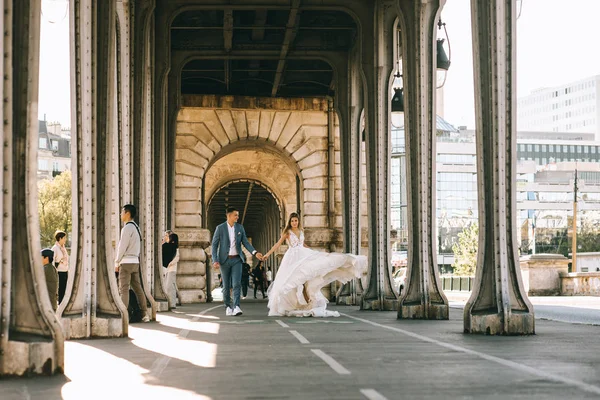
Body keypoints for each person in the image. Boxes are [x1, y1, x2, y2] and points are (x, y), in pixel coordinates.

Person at [264, 213, 367, 317]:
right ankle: (295, 302)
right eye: (292, 221)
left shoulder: (301, 231)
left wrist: (313, 252)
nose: (294, 223)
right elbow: (278, 244)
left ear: (298, 221)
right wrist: (267, 254)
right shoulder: (287, 232)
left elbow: (303, 244)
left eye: (295, 220)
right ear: (289, 222)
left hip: (303, 255)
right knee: (293, 280)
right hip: (292, 258)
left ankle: (308, 301)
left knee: (306, 279)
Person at [211, 207, 263, 316]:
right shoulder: (220, 228)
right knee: (226, 285)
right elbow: (214, 245)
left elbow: (245, 242)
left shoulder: (240, 228)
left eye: (238, 215)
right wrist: (215, 260)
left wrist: (254, 252)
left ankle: (237, 306)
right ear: (229, 216)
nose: (237, 217)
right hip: (224, 261)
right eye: (236, 215)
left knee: (236, 284)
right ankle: (228, 306)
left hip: (237, 260)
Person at [115, 204, 149, 323]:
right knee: (138, 288)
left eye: (122, 212)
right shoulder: (136, 228)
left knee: (123, 289)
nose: (120, 214)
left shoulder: (127, 228)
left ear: (127, 213)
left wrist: (117, 261)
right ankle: (145, 313)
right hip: (135, 261)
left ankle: (123, 316)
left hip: (126, 262)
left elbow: (122, 246)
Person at [162, 231, 180, 309]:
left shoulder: (174, 248)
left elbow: (177, 258)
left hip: (171, 269)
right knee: (168, 286)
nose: (165, 237)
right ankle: (170, 303)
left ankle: (172, 304)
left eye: (167, 236)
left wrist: (171, 263)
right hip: (167, 268)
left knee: (170, 286)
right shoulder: (167, 246)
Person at [51, 231, 69, 304]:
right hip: (59, 272)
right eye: (64, 238)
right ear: (60, 238)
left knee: (64, 289)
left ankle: (62, 303)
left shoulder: (63, 248)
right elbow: (52, 261)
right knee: (60, 289)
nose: (65, 239)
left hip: (65, 271)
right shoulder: (55, 248)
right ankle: (60, 304)